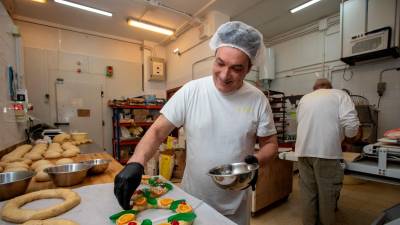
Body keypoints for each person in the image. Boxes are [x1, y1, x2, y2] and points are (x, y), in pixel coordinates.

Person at [113, 21, 278, 225]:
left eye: (236, 68)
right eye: (220, 63)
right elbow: (157, 132)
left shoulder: (257, 99)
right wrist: (136, 162)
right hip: (191, 202)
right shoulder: (192, 91)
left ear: (249, 68)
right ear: (214, 56)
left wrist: (257, 160)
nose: (225, 75)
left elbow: (270, 144)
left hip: (235, 206)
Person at [295, 78, 360, 225]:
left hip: (303, 152)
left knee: (308, 193)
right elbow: (351, 124)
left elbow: (301, 121)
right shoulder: (340, 95)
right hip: (327, 153)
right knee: (327, 195)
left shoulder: (305, 98)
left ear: (314, 88)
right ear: (330, 87)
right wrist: (349, 137)